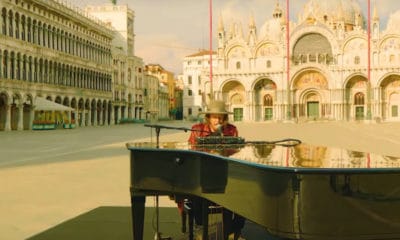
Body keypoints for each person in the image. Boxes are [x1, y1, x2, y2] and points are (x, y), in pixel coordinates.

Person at [186, 100, 246, 240]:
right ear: (208, 117)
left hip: (225, 173)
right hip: (202, 173)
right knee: (195, 191)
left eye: (221, 117)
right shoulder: (197, 129)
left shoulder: (231, 130)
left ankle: (233, 230)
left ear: (224, 119)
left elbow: (237, 152)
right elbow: (190, 152)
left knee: (244, 195)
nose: (217, 120)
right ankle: (200, 226)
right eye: (214, 116)